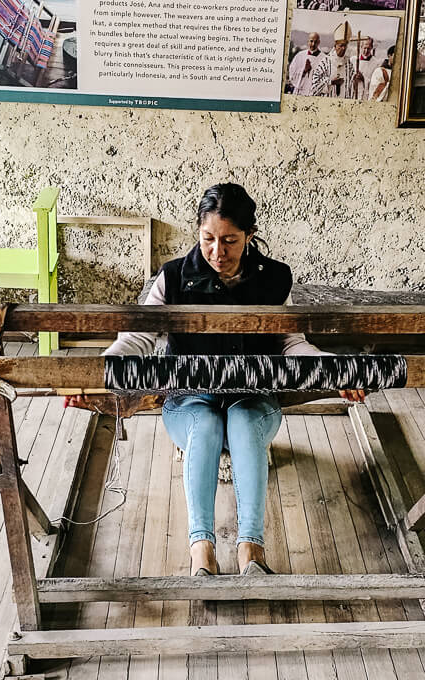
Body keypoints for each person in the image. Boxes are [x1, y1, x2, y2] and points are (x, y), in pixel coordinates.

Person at [66, 184, 366, 577]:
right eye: (208, 239)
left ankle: (251, 549)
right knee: (205, 425)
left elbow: (291, 343)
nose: (217, 253)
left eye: (230, 241)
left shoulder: (272, 280)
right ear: (198, 233)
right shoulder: (173, 278)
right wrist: (93, 375)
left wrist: (335, 370)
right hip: (190, 399)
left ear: (250, 236)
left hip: (252, 397)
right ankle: (201, 551)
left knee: (242, 422)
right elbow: (137, 338)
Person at [311, 22, 357, 98]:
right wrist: (330, 82)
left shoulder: (349, 65)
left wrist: (357, 78)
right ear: (335, 46)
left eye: (345, 46)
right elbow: (314, 86)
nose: (343, 48)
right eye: (341, 45)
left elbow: (352, 85)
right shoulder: (325, 62)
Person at [288, 32, 323, 96]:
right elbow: (291, 74)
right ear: (308, 41)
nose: (313, 44)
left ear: (319, 42)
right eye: (311, 41)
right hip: (300, 92)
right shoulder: (299, 56)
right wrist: (304, 71)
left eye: (315, 42)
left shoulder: (323, 59)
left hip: (315, 94)